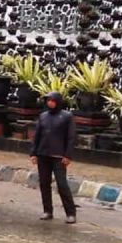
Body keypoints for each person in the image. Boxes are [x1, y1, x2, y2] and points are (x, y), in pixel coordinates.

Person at [30, 91, 78, 224]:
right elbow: (37, 136)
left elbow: (71, 137)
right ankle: (47, 211)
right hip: (43, 154)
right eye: (48, 100)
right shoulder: (43, 116)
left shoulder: (67, 116)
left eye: (52, 100)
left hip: (59, 156)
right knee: (44, 183)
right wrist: (33, 153)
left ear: (57, 101)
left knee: (62, 184)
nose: (49, 103)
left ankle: (70, 213)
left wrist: (68, 155)